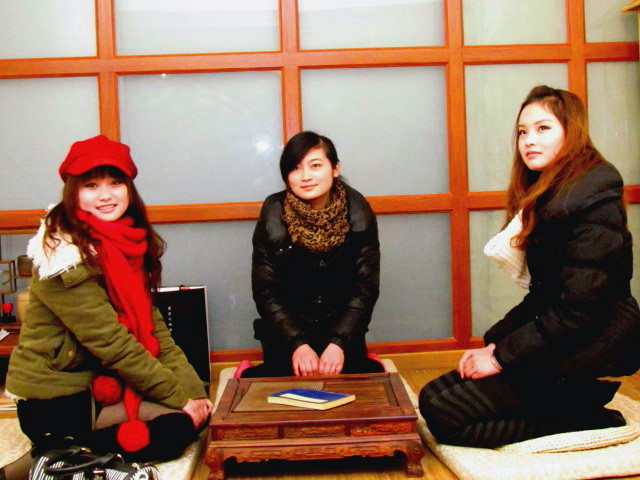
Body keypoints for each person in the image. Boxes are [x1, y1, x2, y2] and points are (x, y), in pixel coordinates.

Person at [419, 85, 640, 448]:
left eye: (543, 128)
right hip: (562, 338)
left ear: (572, 132)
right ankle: (562, 407)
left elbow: (577, 311)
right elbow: (543, 296)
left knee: (447, 415)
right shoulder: (552, 193)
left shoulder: (594, 200)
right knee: (431, 396)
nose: (529, 141)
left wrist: (501, 359)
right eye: (523, 131)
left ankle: (585, 418)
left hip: (590, 347)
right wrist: (494, 346)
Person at [2, 135, 212, 480]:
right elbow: (113, 343)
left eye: (115, 183)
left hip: (100, 384)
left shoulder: (125, 242)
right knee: (175, 428)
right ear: (73, 192)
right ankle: (46, 459)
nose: (106, 195)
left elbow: (157, 332)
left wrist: (194, 393)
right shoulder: (62, 254)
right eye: (91, 185)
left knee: (198, 413)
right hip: (58, 399)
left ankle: (65, 455)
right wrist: (180, 400)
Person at [240, 131, 385, 378]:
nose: (305, 176)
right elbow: (266, 292)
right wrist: (298, 344)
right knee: (280, 390)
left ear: (335, 169)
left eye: (315, 166)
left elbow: (365, 288)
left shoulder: (358, 212)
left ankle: (365, 360)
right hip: (286, 332)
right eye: (295, 168)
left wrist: (338, 343)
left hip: (343, 330)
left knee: (356, 386)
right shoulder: (273, 213)